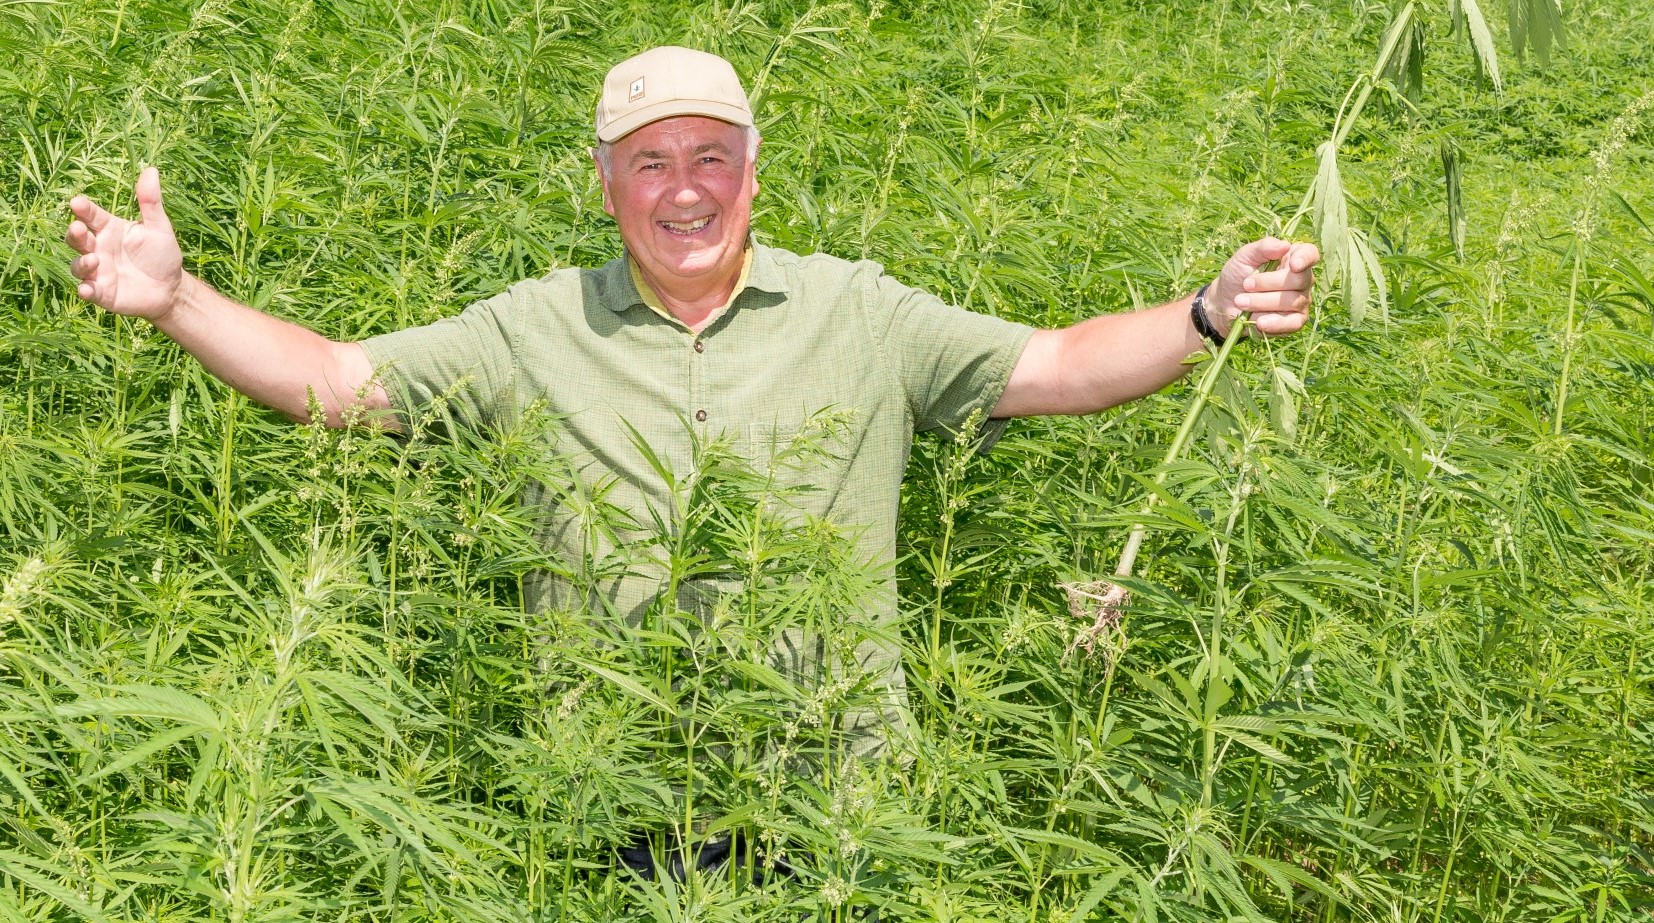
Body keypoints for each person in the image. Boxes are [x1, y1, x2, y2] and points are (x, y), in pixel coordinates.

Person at [65, 44, 1317, 878]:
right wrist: (178, 301)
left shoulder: (858, 310)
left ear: (752, 169)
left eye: (709, 155)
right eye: (650, 161)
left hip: (837, 808)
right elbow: (339, 385)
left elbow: (1054, 363)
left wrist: (1202, 312)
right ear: (605, 181)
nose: (683, 189)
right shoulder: (532, 326)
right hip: (611, 810)